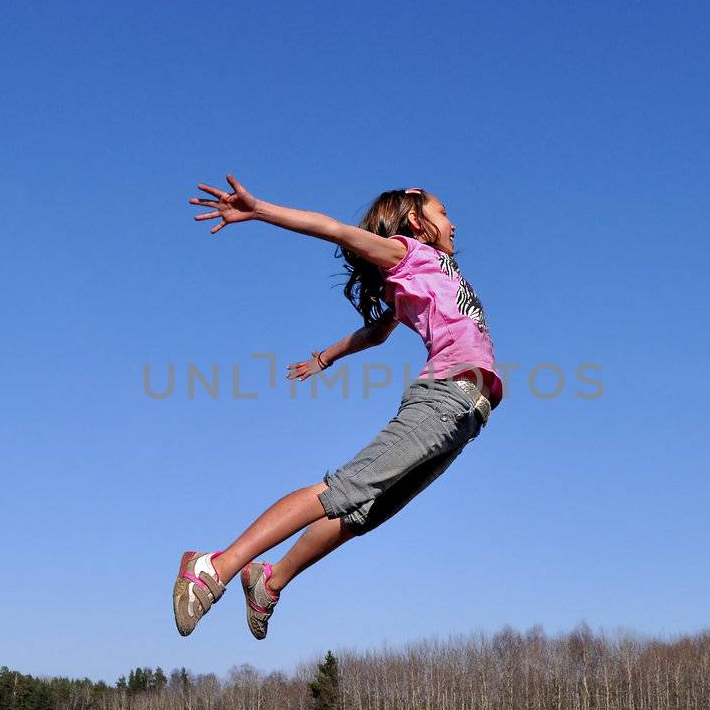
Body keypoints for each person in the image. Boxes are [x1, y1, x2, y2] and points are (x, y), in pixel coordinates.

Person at [174, 176, 503, 640]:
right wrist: (260, 209)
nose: (453, 222)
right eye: (443, 211)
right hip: (445, 397)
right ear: (415, 221)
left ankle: (269, 580)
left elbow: (377, 334)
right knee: (347, 488)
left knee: (362, 514)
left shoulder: (430, 273)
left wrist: (325, 357)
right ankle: (215, 566)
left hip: (468, 416)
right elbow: (334, 230)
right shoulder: (406, 254)